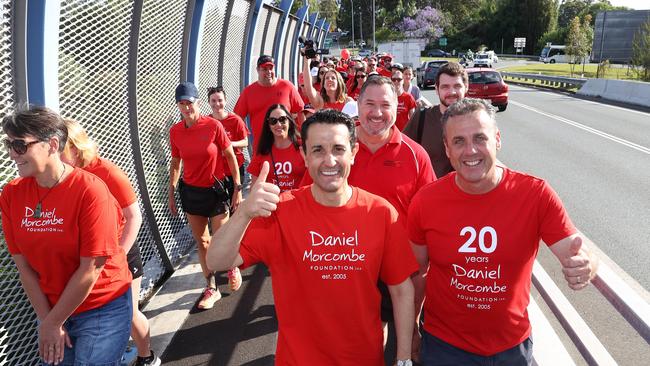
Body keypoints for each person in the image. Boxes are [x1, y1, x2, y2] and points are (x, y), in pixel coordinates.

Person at [206, 109, 417, 366]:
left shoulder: (381, 212)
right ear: (304, 156)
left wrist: (404, 357)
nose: (329, 161)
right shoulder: (280, 212)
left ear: (354, 153)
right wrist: (244, 213)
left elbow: (402, 289)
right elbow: (216, 261)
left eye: (338, 149)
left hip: (364, 358)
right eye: (318, 150)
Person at [408, 98, 599, 365]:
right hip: (445, 347)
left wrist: (587, 264)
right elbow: (416, 273)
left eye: (480, 138)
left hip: (513, 347)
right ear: (447, 149)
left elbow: (576, 248)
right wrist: (410, 331)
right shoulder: (425, 201)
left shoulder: (535, 194)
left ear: (497, 139)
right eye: (459, 141)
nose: (470, 150)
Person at [0, 106, 132, 365]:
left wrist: (52, 323)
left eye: (19, 145)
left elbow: (90, 270)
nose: (12, 154)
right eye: (8, 144)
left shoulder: (90, 192)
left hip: (101, 306)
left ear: (51, 144)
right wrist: (48, 320)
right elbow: (24, 268)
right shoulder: (12, 194)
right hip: (50, 307)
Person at [61, 119, 161, 366]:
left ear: (75, 147)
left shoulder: (107, 171)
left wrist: (118, 255)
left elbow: (133, 216)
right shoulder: (64, 176)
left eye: (59, 149)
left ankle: (147, 356)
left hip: (120, 251)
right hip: (90, 257)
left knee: (128, 312)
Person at [168, 81, 243, 310]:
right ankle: (211, 288)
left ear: (197, 102)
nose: (186, 108)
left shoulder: (213, 126)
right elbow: (175, 162)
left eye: (189, 103)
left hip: (216, 189)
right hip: (192, 193)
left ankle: (231, 265)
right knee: (203, 242)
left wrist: (238, 188)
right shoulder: (176, 131)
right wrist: (171, 192)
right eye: (181, 104)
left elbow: (230, 155)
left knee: (222, 237)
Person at [402, 61, 467, 178]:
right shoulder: (422, 117)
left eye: (457, 86)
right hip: (429, 193)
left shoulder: (476, 122)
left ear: (466, 88)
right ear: (437, 89)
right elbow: (402, 154)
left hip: (467, 194)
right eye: (445, 87)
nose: (452, 92)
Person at [234, 55, 304, 147]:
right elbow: (237, 118)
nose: (269, 72)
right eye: (264, 69)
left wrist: (303, 136)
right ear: (257, 70)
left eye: (271, 68)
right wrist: (243, 138)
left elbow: (300, 111)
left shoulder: (287, 86)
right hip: (261, 147)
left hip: (286, 145)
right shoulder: (249, 92)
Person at [247, 104, 306, 192]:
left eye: (282, 119)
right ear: (269, 126)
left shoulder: (303, 146)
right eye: (273, 121)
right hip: (272, 204)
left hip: (300, 202)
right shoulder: (262, 150)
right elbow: (254, 188)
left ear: (289, 121)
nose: (278, 124)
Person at [208, 86, 249, 201]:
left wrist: (229, 145)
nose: (217, 104)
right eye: (213, 101)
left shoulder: (235, 120)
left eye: (220, 100)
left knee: (235, 203)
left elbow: (245, 142)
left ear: (225, 101)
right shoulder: (207, 122)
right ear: (209, 102)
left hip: (234, 168)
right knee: (219, 205)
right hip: (216, 171)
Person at [390, 65, 417, 131]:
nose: (396, 82)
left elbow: (412, 119)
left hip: (405, 132)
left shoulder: (409, 97)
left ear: (403, 81)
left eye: (399, 79)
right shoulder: (388, 97)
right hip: (390, 132)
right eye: (394, 79)